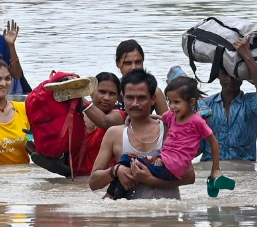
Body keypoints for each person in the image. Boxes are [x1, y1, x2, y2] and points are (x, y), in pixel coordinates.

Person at [105, 75, 233, 199]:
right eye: (169, 101)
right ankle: (113, 197)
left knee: (127, 159)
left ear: (192, 102)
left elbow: (214, 142)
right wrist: (132, 117)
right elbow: (159, 118)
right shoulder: (172, 116)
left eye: (177, 102)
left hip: (171, 167)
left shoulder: (197, 121)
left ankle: (111, 196)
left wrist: (215, 169)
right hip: (164, 162)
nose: (172, 106)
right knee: (127, 167)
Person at [89, 69, 196, 199]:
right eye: (129, 97)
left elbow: (190, 176)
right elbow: (93, 182)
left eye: (141, 98)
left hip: (168, 215)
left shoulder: (169, 131)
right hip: (129, 216)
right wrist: (116, 170)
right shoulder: (114, 134)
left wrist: (150, 179)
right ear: (122, 97)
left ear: (153, 99)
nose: (135, 104)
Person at [27, 72, 127, 177]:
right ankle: (58, 159)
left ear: (118, 97)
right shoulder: (75, 115)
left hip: (102, 178)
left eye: (112, 94)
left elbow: (104, 122)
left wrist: (77, 95)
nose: (106, 97)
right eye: (102, 92)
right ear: (92, 92)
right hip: (73, 178)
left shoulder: (119, 116)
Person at [200, 37, 257, 162]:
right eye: (225, 74)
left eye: (235, 75)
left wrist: (247, 57)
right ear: (218, 75)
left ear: (242, 76)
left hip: (244, 169)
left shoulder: (250, 103)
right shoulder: (205, 105)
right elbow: (197, 148)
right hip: (211, 168)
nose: (230, 79)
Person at [115, 40, 168, 115]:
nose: (133, 67)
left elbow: (167, 122)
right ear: (118, 64)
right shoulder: (110, 90)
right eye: (128, 63)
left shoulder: (154, 91)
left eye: (138, 62)